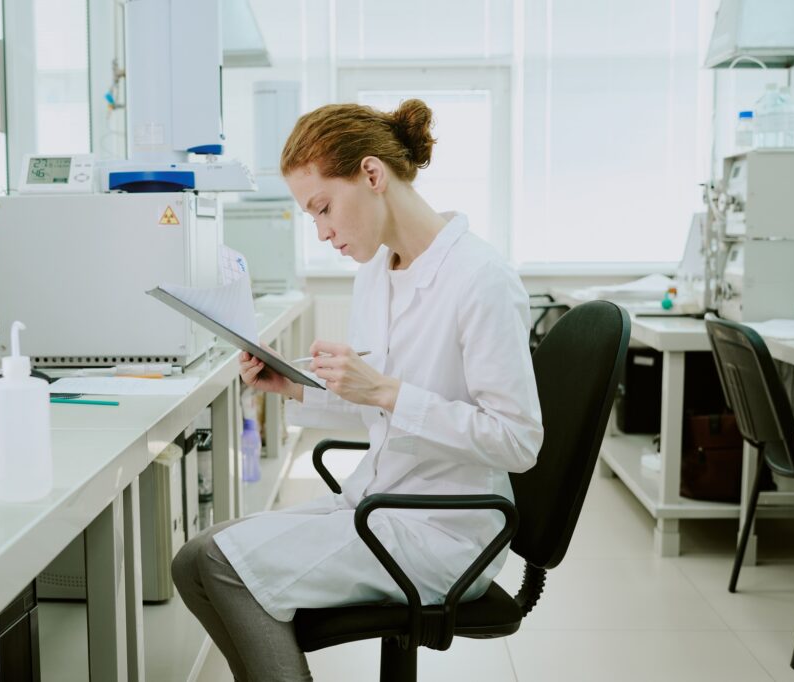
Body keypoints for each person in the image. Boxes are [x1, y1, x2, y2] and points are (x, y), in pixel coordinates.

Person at [171, 99, 543, 681]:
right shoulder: (376, 274)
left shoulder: (481, 280)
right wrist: (294, 388)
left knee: (222, 564)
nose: (322, 232)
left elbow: (518, 442)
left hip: (446, 529)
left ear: (371, 175)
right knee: (193, 559)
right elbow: (375, 404)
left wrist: (391, 392)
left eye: (323, 208)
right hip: (381, 502)